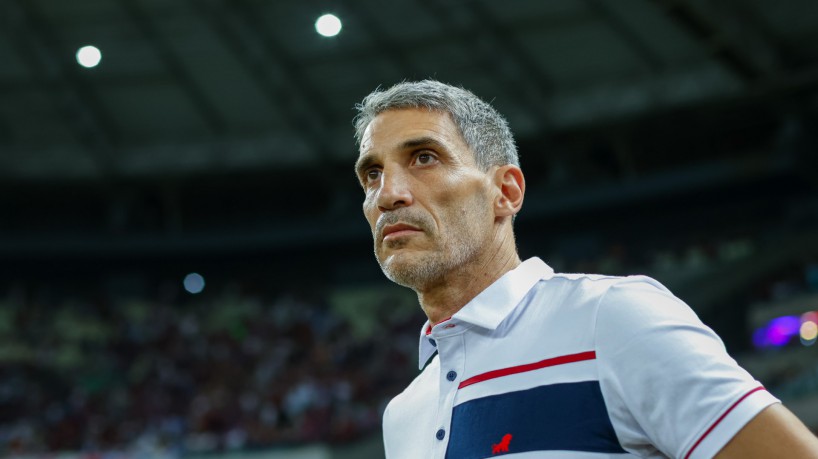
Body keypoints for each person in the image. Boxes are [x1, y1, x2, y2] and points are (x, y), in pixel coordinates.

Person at [352, 80, 818, 459]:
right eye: (372, 173)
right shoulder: (405, 413)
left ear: (506, 192)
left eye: (424, 158)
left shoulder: (612, 318)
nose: (387, 194)